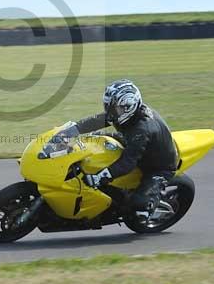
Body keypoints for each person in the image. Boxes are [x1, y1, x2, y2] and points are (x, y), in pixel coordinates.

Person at [62, 80, 179, 211]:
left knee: (138, 205)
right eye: (108, 106)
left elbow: (128, 163)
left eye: (114, 108)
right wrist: (73, 129)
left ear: (128, 107)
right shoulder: (125, 115)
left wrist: (99, 178)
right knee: (94, 140)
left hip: (158, 167)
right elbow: (97, 121)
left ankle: (152, 204)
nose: (110, 111)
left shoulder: (141, 130)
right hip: (135, 144)